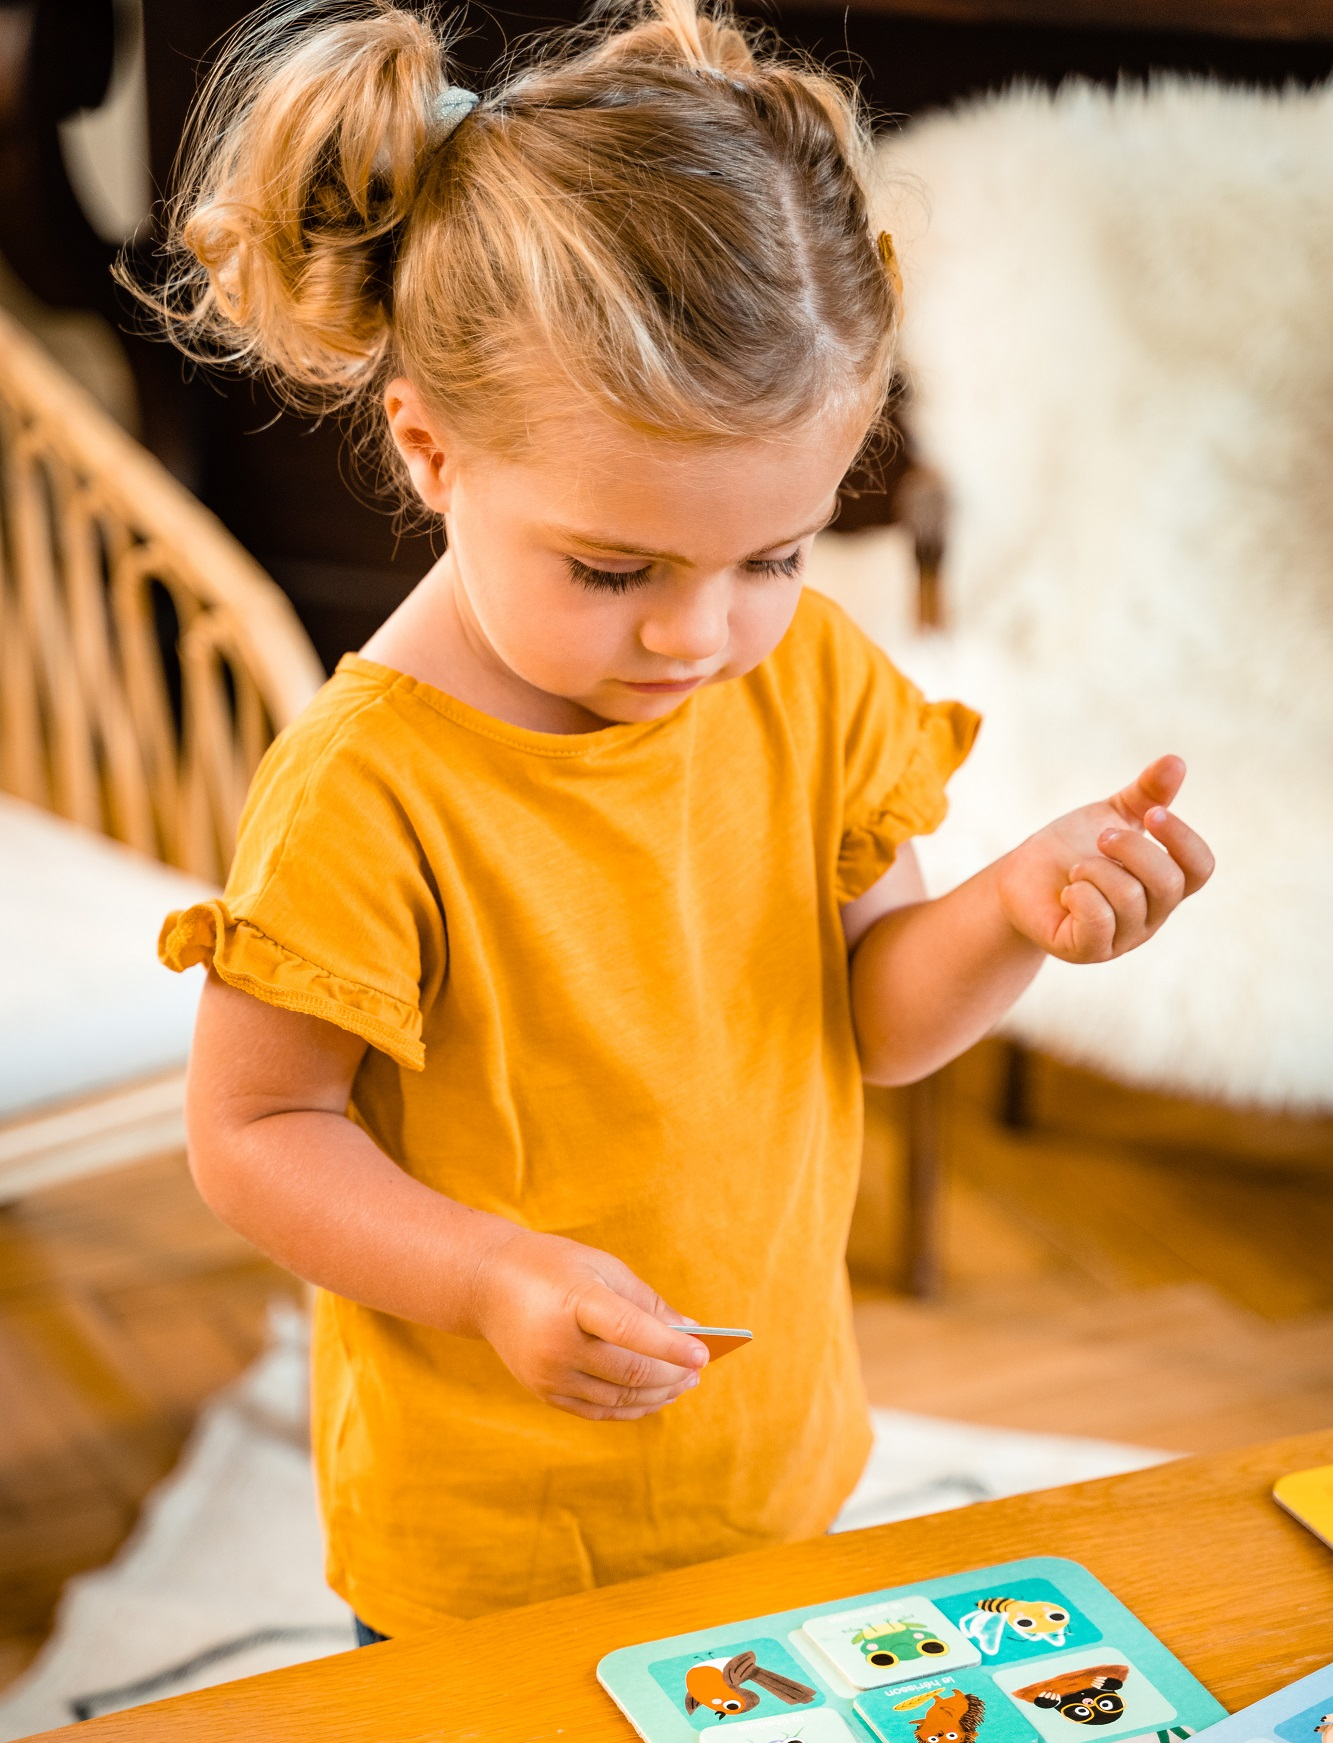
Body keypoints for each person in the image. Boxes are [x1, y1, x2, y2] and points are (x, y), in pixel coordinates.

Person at [152, 0, 1213, 1643]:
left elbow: (874, 1023)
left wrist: (1012, 911)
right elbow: (255, 1134)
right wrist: (495, 1277)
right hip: (485, 1533)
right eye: (612, 568)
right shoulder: (367, 786)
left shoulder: (813, 681)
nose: (696, 638)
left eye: (774, 557)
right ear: (430, 449)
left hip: (767, 1457)